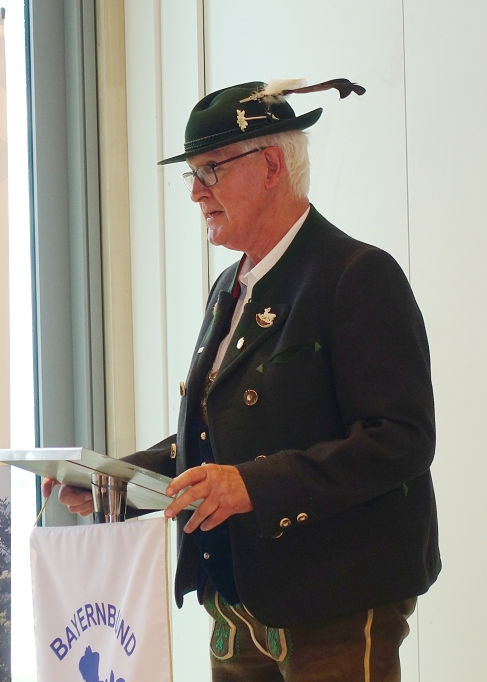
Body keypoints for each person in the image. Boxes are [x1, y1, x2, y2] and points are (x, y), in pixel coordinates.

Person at [43, 79, 440, 681]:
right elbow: (216, 437)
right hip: (235, 598)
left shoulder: (356, 274)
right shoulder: (229, 287)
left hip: (334, 596)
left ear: (271, 165)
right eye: (191, 175)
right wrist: (117, 480)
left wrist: (251, 485)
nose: (196, 193)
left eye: (211, 171)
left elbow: (401, 440)